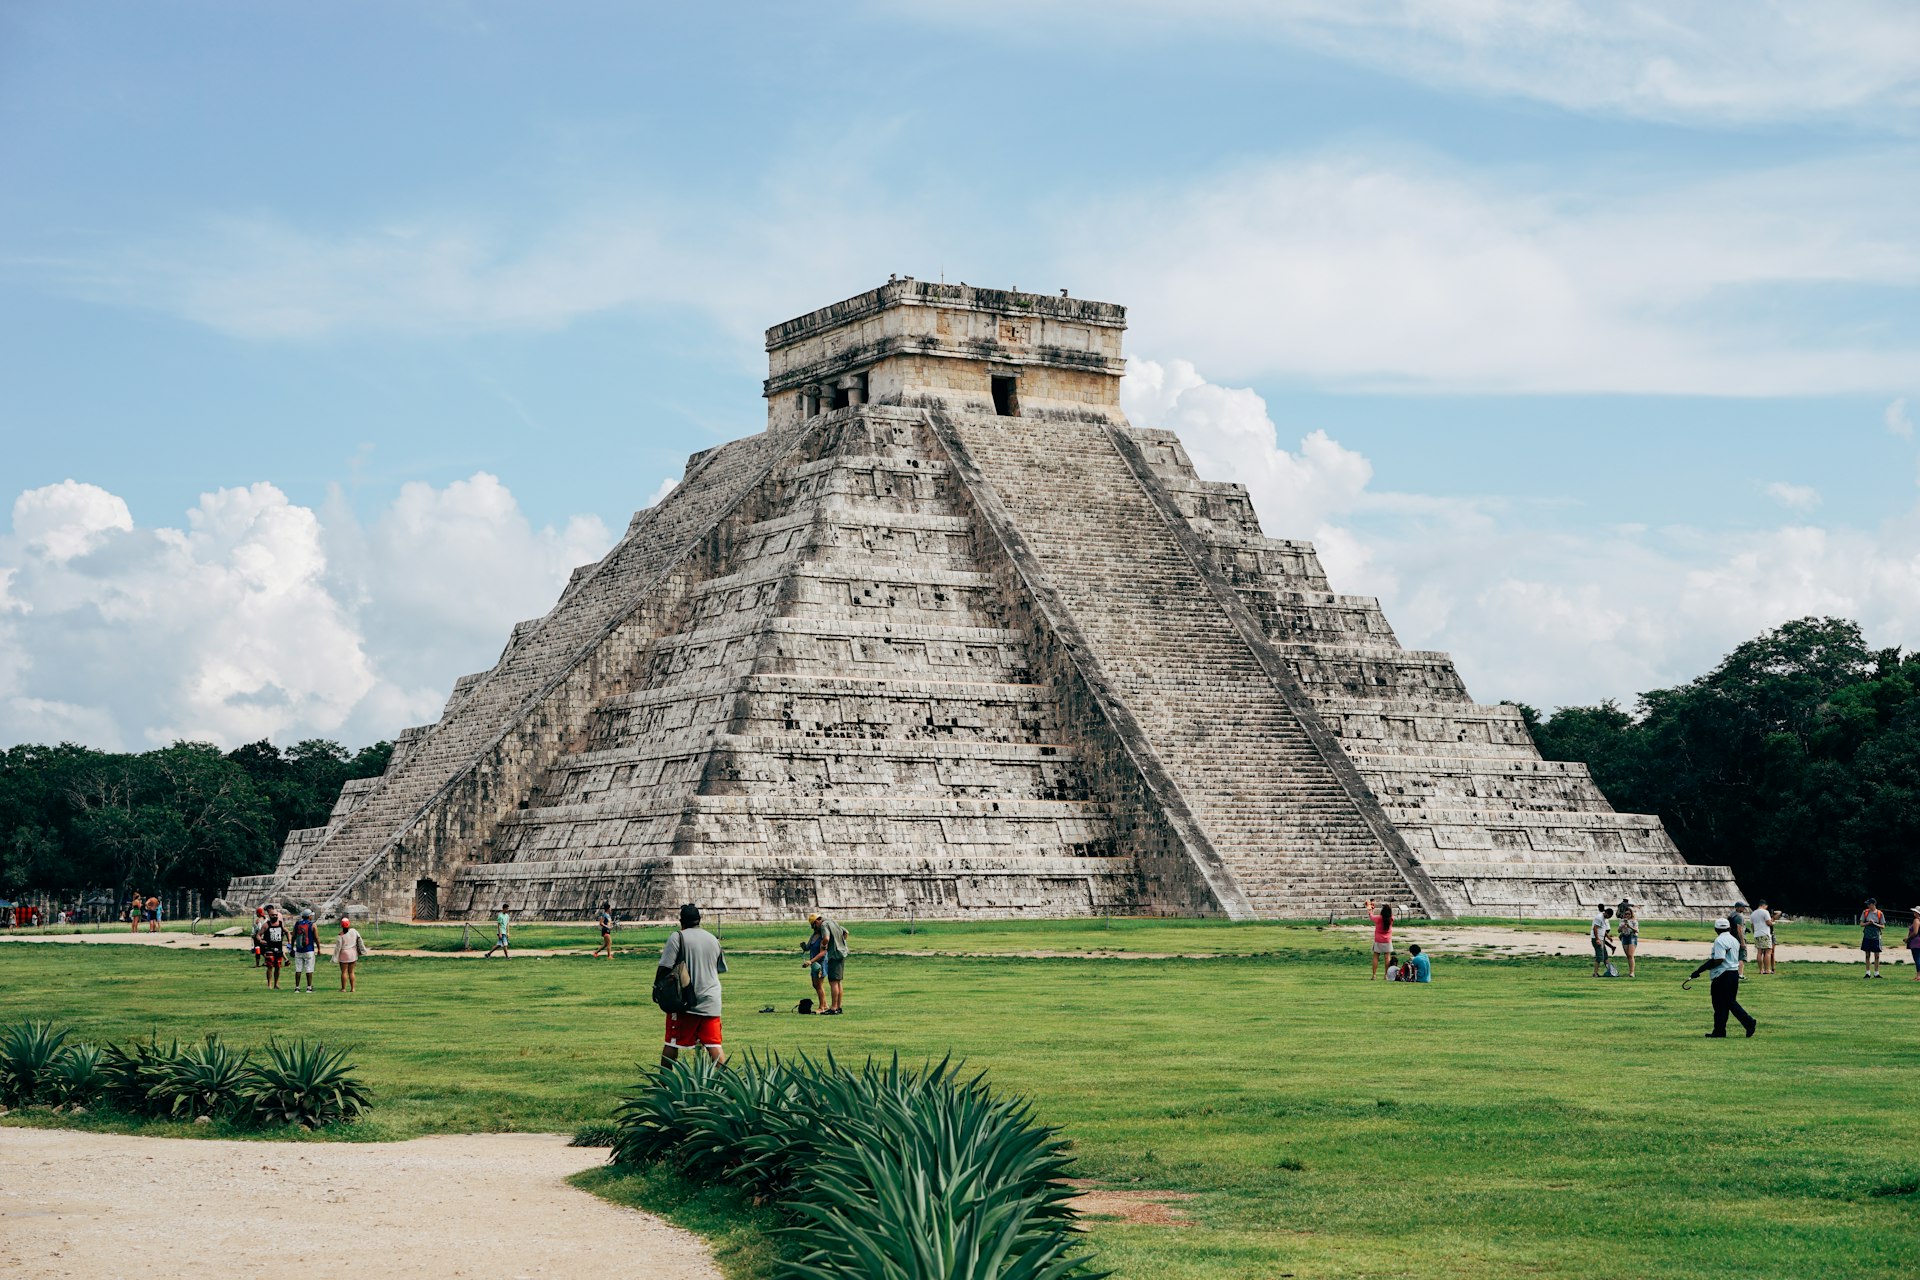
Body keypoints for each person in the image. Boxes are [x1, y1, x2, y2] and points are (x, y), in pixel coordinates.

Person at [658, 903, 727, 1067]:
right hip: (711, 1000)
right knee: (714, 1045)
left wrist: (658, 988)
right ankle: (727, 1085)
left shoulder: (677, 937)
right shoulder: (713, 939)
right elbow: (719, 968)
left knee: (672, 1043)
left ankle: (662, 1085)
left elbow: (665, 967)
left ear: (681, 921)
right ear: (699, 920)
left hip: (686, 1001)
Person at [1688, 916, 1756, 1038]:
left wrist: (1700, 970)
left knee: (1722, 1003)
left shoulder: (1719, 941)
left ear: (1716, 929)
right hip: (1733, 973)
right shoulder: (1734, 940)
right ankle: (1719, 1031)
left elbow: (1719, 959)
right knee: (1725, 1003)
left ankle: (1748, 1022)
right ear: (1729, 928)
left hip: (1722, 974)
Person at [816, 912, 850, 1014]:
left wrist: (823, 945)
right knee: (838, 981)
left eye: (814, 925)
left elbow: (826, 938)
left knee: (833, 982)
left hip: (834, 955)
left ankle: (834, 1008)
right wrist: (840, 942)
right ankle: (838, 1007)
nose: (815, 928)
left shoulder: (824, 925)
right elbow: (846, 932)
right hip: (842, 953)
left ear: (817, 921)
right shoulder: (833, 922)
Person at [289, 909, 320, 994]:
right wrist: (319, 948)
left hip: (299, 950)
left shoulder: (298, 923)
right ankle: (309, 987)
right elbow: (316, 938)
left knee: (298, 969)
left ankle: (297, 987)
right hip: (309, 949)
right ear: (309, 916)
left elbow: (293, 936)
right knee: (309, 969)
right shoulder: (312, 925)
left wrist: (292, 948)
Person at [801, 919, 828, 1013]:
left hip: (820, 963)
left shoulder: (823, 937)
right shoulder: (813, 936)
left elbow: (823, 953)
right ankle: (825, 1004)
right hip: (813, 963)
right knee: (815, 984)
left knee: (819, 985)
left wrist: (810, 961)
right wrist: (804, 947)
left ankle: (822, 1007)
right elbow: (808, 947)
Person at [334, 916, 366, 992]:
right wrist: (362, 950)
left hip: (344, 953)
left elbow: (338, 947)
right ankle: (353, 988)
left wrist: (335, 957)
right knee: (351, 972)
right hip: (353, 953)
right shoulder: (354, 931)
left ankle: (343, 988)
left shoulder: (340, 935)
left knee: (344, 971)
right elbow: (359, 940)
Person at [1365, 898, 1394, 979]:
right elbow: (1390, 914)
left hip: (1378, 940)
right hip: (1387, 940)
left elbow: (1371, 917)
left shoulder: (1378, 918)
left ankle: (1374, 975)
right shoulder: (1391, 919)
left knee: (1375, 957)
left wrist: (1370, 910)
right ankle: (1386, 975)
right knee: (1387, 958)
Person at [260, 908, 287, 991]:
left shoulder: (280, 924)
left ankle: (276, 984)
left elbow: (287, 931)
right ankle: (269, 984)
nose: (274, 916)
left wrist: (289, 940)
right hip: (269, 948)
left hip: (278, 948)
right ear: (269, 916)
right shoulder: (266, 925)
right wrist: (261, 940)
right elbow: (258, 935)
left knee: (278, 967)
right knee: (270, 966)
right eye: (273, 915)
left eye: (276, 915)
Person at [1861, 897, 1886, 979]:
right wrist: (1868, 923)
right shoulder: (1865, 912)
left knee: (1877, 955)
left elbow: (1883, 926)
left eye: (1869, 904)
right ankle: (1867, 973)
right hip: (1867, 935)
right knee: (1867, 954)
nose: (1868, 905)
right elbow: (1861, 924)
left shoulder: (1880, 913)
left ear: (1873, 904)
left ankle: (1876, 973)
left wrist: (1875, 924)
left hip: (1876, 936)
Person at [1751, 899, 1778, 975]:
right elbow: (1768, 923)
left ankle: (1761, 970)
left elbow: (1752, 925)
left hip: (1757, 934)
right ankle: (1767, 970)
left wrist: (1755, 932)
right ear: (1764, 905)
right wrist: (1773, 923)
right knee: (1768, 952)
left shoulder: (1753, 913)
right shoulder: (1765, 912)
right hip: (1765, 933)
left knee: (1759, 952)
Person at [1617, 899, 1641, 978]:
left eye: (1628, 914)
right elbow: (1619, 930)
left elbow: (1636, 930)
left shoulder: (1634, 921)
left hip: (1632, 936)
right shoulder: (1622, 921)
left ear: (1631, 914)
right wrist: (1622, 927)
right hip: (1624, 936)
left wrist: (1629, 926)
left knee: (1630, 954)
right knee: (1628, 955)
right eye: (1626, 914)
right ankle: (1630, 970)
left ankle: (1632, 972)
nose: (1627, 916)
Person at [1590, 905, 1615, 977]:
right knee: (1599, 956)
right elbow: (1595, 929)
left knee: (1605, 956)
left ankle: (1610, 971)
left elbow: (1603, 929)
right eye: (1608, 916)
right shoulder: (1599, 918)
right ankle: (1595, 973)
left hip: (1601, 939)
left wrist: (1608, 937)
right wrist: (1597, 939)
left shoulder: (1604, 918)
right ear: (1606, 913)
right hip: (1597, 939)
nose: (1608, 918)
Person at [1728, 901, 1749, 972]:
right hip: (1738, 938)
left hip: (1732, 937)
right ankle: (1740, 974)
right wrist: (1742, 942)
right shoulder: (1739, 916)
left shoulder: (1732, 915)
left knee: (1734, 956)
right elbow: (1739, 930)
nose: (1744, 908)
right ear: (1737, 907)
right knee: (1741, 956)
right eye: (1742, 907)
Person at [1905, 908, 1920, 982]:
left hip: (1916, 942)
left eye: (1915, 912)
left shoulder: (1916, 920)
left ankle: (1918, 976)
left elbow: (1915, 932)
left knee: (1917, 959)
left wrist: (1908, 939)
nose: (1914, 913)